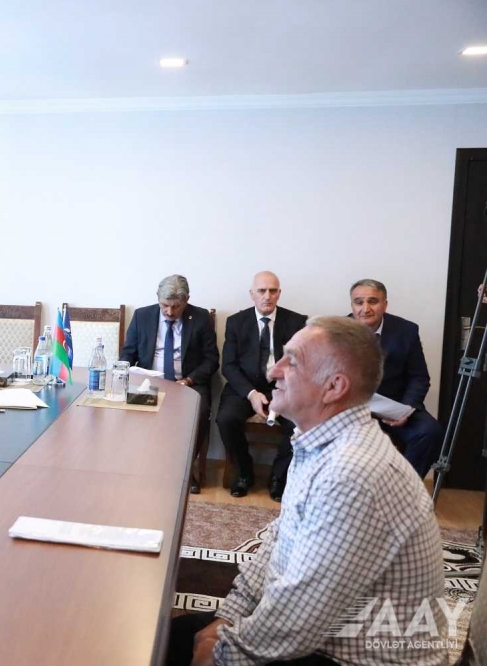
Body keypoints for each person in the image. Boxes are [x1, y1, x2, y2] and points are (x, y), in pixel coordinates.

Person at [167, 317, 446, 666]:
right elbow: (277, 544)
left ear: (334, 387)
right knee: (170, 636)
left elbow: (298, 615)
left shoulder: (352, 473)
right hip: (321, 633)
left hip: (357, 658)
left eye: (292, 362)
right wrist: (227, 618)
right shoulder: (316, 443)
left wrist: (221, 653)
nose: (273, 371)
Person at [120, 274, 219, 493]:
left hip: (188, 382)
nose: (170, 312)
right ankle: (139, 465)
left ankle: (184, 470)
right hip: (149, 381)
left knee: (201, 411)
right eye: (165, 305)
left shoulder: (201, 317)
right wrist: (125, 373)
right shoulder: (142, 316)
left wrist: (188, 380)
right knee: (124, 406)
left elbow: (212, 359)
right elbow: (128, 353)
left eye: (176, 306)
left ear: (186, 300)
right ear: (157, 297)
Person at [216, 271, 307, 501]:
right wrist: (251, 394)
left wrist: (283, 391)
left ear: (279, 293)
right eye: (262, 291)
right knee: (226, 419)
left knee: (301, 422)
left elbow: (301, 364)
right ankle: (244, 472)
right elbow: (229, 366)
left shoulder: (297, 322)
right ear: (252, 294)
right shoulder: (236, 322)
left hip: (284, 387)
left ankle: (278, 476)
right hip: (245, 387)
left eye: (273, 291)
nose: (267, 296)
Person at [350, 279, 444, 478]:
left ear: (385, 304)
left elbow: (419, 377)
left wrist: (406, 409)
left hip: (396, 406)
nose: (365, 309)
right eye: (358, 302)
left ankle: (404, 486)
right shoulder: (337, 332)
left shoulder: (406, 331)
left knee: (430, 432)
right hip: (352, 409)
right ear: (352, 305)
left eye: (373, 301)